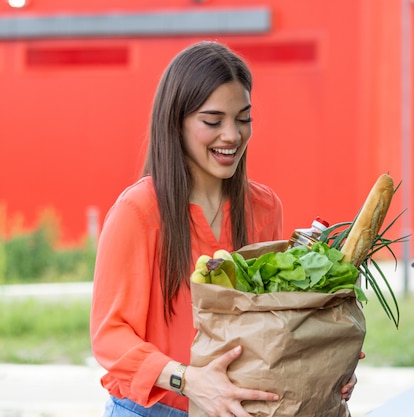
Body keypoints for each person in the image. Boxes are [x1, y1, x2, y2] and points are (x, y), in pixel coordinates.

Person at [90, 40, 359, 417]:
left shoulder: (263, 209)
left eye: (243, 118)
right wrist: (190, 380)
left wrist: (324, 361)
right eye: (213, 121)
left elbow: (273, 319)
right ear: (176, 123)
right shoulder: (138, 211)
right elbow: (110, 338)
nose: (232, 135)